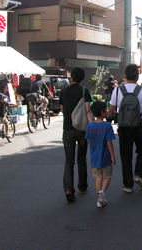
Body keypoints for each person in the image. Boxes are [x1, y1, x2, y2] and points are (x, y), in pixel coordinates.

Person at [108, 64, 142, 193]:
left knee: (126, 156)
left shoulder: (117, 90)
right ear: (137, 76)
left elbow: (111, 110)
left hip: (123, 127)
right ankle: (139, 175)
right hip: (139, 126)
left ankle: (128, 185)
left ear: (125, 76)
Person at [59, 67, 94, 203]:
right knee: (81, 158)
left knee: (69, 160)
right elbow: (88, 110)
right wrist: (91, 130)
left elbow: (63, 110)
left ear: (71, 77)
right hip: (82, 130)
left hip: (67, 129)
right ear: (82, 78)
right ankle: (82, 186)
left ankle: (68, 189)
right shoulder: (84, 91)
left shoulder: (63, 91)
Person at [86, 101, 116, 208]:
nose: (108, 111)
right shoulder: (107, 125)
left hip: (94, 157)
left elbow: (88, 140)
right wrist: (112, 155)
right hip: (105, 156)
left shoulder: (90, 125)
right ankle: (102, 192)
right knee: (107, 176)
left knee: (98, 177)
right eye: (106, 110)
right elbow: (109, 142)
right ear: (102, 112)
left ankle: (99, 199)